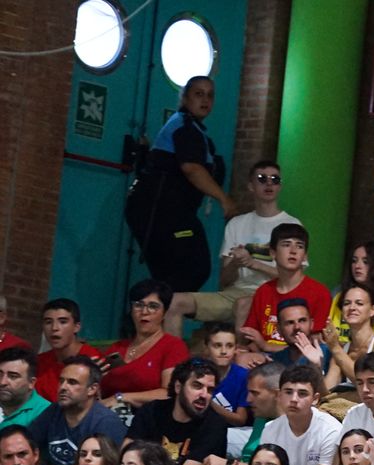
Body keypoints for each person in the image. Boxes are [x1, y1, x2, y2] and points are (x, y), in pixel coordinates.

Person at [165, 161, 300, 335]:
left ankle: (241, 360)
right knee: (175, 301)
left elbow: (295, 279)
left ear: (280, 186)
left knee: (243, 305)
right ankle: (175, 361)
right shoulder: (236, 224)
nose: (269, 183)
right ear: (251, 186)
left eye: (275, 179)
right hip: (234, 293)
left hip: (273, 294)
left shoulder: (292, 225)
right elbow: (225, 281)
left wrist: (254, 264)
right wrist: (236, 263)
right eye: (262, 178)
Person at [123, 76, 230, 291]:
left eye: (210, 95)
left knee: (170, 274)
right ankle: (148, 312)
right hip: (159, 211)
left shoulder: (197, 132)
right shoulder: (185, 127)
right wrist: (224, 199)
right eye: (198, 94)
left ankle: (151, 317)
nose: (205, 100)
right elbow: (192, 169)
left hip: (164, 211)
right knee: (195, 267)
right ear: (185, 98)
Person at [130, 358, 229, 465]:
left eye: (210, 389)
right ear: (178, 387)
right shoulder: (151, 411)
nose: (204, 395)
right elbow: (126, 459)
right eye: (197, 386)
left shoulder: (214, 425)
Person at [238, 223, 332, 354]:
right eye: (286, 244)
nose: (293, 251)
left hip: (302, 361)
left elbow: (315, 346)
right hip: (263, 359)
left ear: (305, 255)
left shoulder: (320, 293)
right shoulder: (264, 291)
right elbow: (252, 337)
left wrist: (266, 346)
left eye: (299, 246)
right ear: (273, 252)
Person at [31, 357, 126, 465]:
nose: (63, 387)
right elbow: (28, 443)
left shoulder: (106, 423)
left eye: (72, 382)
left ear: (92, 389)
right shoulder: (54, 411)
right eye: (61, 381)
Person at [101, 280, 192, 408]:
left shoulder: (173, 346)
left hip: (148, 419)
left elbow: (169, 393)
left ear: (164, 313)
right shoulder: (117, 348)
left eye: (153, 306)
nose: (144, 311)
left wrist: (121, 398)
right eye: (138, 305)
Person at [260, 364, 341, 465]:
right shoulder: (270, 430)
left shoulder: (331, 430)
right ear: (279, 395)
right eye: (288, 392)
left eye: (302, 393)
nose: (293, 399)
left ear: (315, 399)